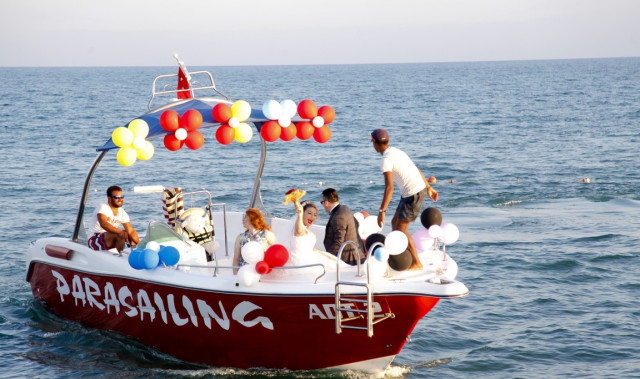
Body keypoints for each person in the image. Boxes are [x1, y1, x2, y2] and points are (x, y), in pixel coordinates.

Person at [371, 128, 438, 270]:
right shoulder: (396, 151)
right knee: (395, 224)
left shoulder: (386, 160)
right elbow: (416, 169)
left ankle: (416, 262)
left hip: (413, 195)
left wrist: (382, 210)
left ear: (374, 142)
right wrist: (428, 188)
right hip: (413, 192)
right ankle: (402, 259)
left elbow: (389, 188)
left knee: (401, 229)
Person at [286, 200, 343, 272]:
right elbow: (298, 231)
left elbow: (308, 247)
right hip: (301, 260)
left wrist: (324, 254)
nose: (312, 217)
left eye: (315, 215)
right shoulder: (299, 228)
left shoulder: (307, 230)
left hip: (309, 255)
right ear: (302, 213)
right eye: (309, 213)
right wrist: (299, 215)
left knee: (335, 261)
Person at [88, 185, 139, 253]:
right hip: (94, 239)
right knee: (120, 234)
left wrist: (141, 244)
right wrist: (120, 232)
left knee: (129, 233)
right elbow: (103, 224)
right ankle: (119, 256)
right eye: (117, 197)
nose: (120, 199)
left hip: (110, 238)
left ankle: (135, 252)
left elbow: (130, 230)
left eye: (122, 197)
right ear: (109, 198)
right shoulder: (103, 207)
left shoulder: (122, 212)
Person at [321, 188, 366, 266]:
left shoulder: (338, 216)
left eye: (322, 202)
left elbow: (338, 241)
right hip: (357, 253)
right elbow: (357, 224)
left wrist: (328, 257)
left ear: (326, 203)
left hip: (349, 259)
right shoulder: (345, 209)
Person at [232, 208, 275, 274]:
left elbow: (274, 252)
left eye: (245, 217)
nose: (243, 219)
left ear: (252, 218)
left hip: (261, 271)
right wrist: (235, 274)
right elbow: (236, 258)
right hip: (244, 273)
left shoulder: (266, 234)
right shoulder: (240, 237)